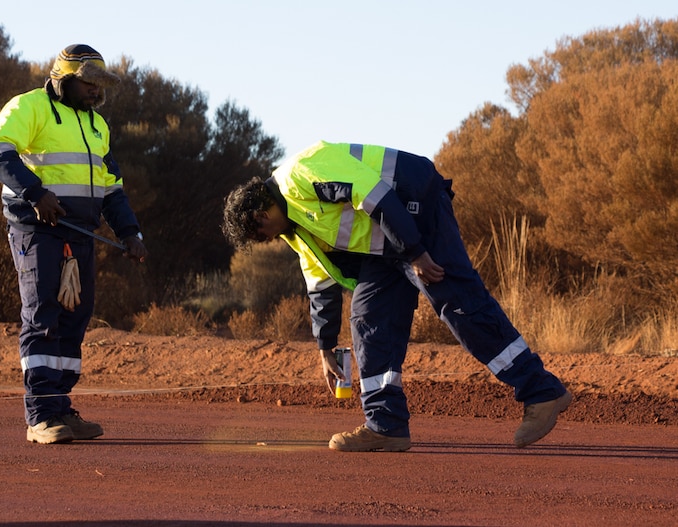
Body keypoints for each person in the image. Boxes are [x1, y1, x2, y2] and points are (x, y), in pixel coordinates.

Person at [222, 141, 571, 452]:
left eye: (262, 234)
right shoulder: (294, 228)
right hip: (386, 245)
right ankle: (385, 425)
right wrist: (324, 347)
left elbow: (376, 195)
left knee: (459, 304)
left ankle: (541, 391)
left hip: (415, 206)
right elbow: (319, 283)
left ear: (260, 214)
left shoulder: (301, 173)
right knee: (368, 319)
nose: (268, 240)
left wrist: (416, 252)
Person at [0, 44, 147, 444]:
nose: (96, 91)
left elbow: (112, 188)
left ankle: (60, 407)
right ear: (65, 79)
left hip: (82, 236)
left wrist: (131, 233)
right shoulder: (29, 107)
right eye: (89, 82)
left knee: (76, 316)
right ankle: (40, 416)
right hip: (37, 231)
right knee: (43, 314)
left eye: (101, 85)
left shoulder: (98, 126)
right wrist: (36, 194)